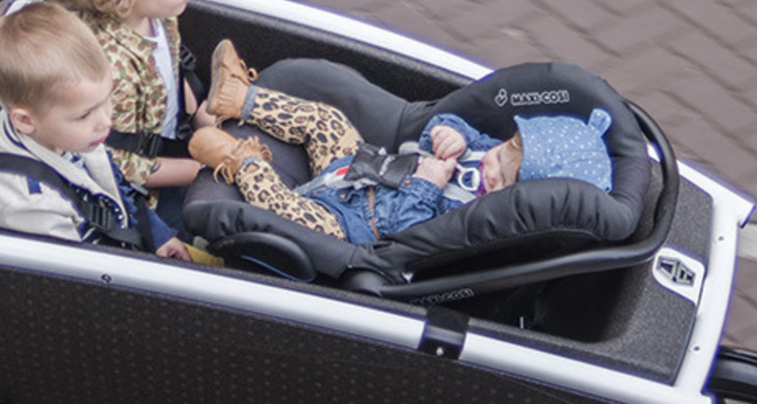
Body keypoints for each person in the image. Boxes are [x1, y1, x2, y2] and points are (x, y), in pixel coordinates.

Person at [189, 41, 614, 251]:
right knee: (328, 120)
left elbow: (409, 234)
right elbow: (443, 129)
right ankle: (238, 98)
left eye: (503, 174)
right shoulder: (486, 151)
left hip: (351, 225)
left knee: (292, 214)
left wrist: (428, 185)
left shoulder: (473, 217)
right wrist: (452, 134)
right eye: (502, 150)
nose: (490, 161)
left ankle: (240, 161)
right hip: (361, 166)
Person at [0, 3, 206, 259]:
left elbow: (113, 185)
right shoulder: (28, 205)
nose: (106, 121)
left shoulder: (67, 131)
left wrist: (158, 236)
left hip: (119, 229)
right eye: (85, 114)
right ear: (25, 121)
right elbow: (80, 279)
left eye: (107, 99)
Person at [48, 0, 214, 227]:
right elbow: (119, 163)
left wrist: (201, 114)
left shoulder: (159, 11)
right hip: (149, 192)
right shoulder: (110, 66)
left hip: (174, 141)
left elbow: (173, 64)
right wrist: (203, 169)